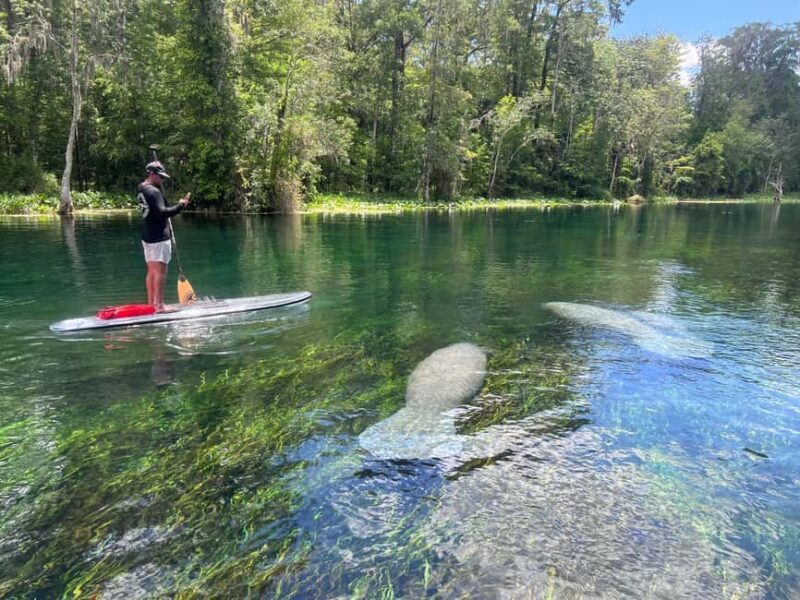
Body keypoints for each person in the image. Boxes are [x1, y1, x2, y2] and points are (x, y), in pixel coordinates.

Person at [137, 161, 190, 311]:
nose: (162, 179)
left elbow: (156, 208)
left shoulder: (142, 187)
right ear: (151, 174)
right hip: (159, 237)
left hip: (147, 235)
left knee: (151, 270)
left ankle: (151, 304)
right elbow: (163, 212)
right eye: (160, 176)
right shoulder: (154, 192)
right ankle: (160, 305)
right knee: (160, 271)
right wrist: (181, 205)